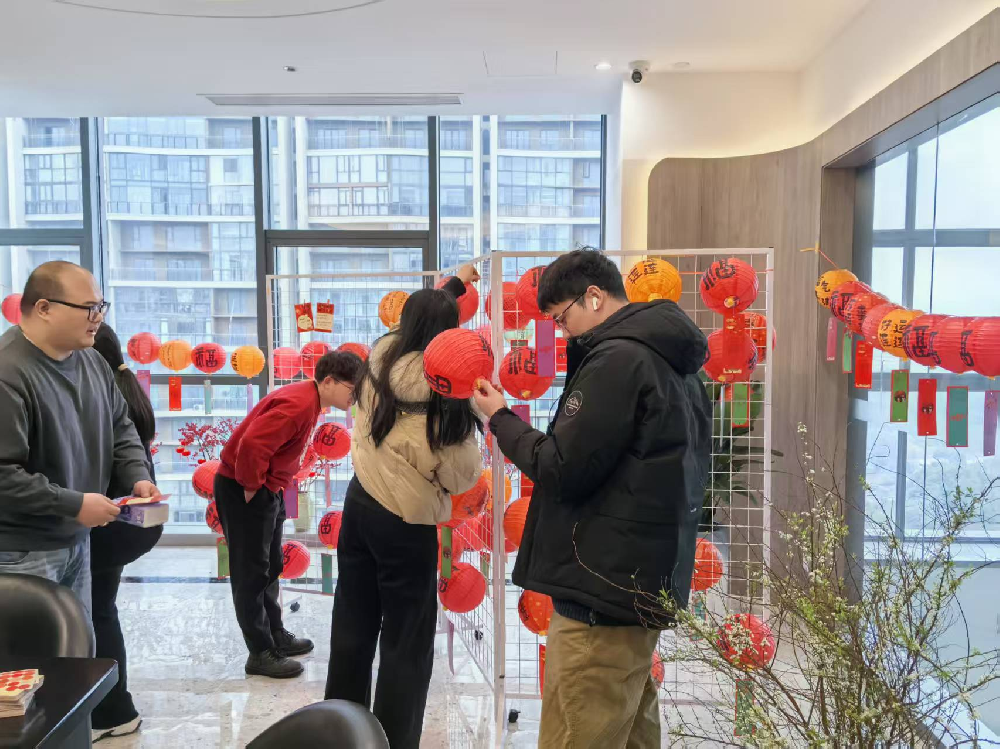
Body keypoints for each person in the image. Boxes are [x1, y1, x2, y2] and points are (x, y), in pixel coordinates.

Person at [472, 249, 712, 749]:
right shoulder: (676, 361)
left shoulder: (618, 360)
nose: (563, 333)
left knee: (578, 729)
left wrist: (500, 418)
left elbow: (562, 466)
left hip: (602, 588)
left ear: (595, 297)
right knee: (630, 729)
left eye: (562, 318)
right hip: (642, 580)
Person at [324, 267, 483, 749]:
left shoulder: (381, 352)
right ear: (449, 335)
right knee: (406, 643)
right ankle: (392, 741)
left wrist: (453, 285)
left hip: (359, 503)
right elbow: (462, 476)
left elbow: (419, 316)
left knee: (352, 624)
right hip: (404, 522)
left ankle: (340, 732)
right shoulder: (446, 394)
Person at [0, 261, 159, 616]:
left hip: (77, 538)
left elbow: (121, 427)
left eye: (100, 306)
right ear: (44, 308)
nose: (98, 317)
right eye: (88, 307)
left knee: (78, 643)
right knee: (33, 648)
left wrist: (137, 475)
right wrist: (74, 504)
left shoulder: (92, 362)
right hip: (21, 551)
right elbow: (4, 475)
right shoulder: (8, 372)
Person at [215, 350, 361, 679]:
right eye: (352, 389)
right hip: (246, 487)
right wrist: (251, 486)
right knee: (251, 573)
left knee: (270, 566)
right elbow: (253, 445)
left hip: (268, 487)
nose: (354, 398)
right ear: (329, 381)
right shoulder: (299, 404)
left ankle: (274, 634)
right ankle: (260, 652)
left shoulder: (309, 400)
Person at [89, 323, 162, 742]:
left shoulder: (100, 394)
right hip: (125, 522)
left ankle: (111, 710)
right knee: (101, 609)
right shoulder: (126, 387)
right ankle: (114, 709)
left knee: (96, 612)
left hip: (108, 520)